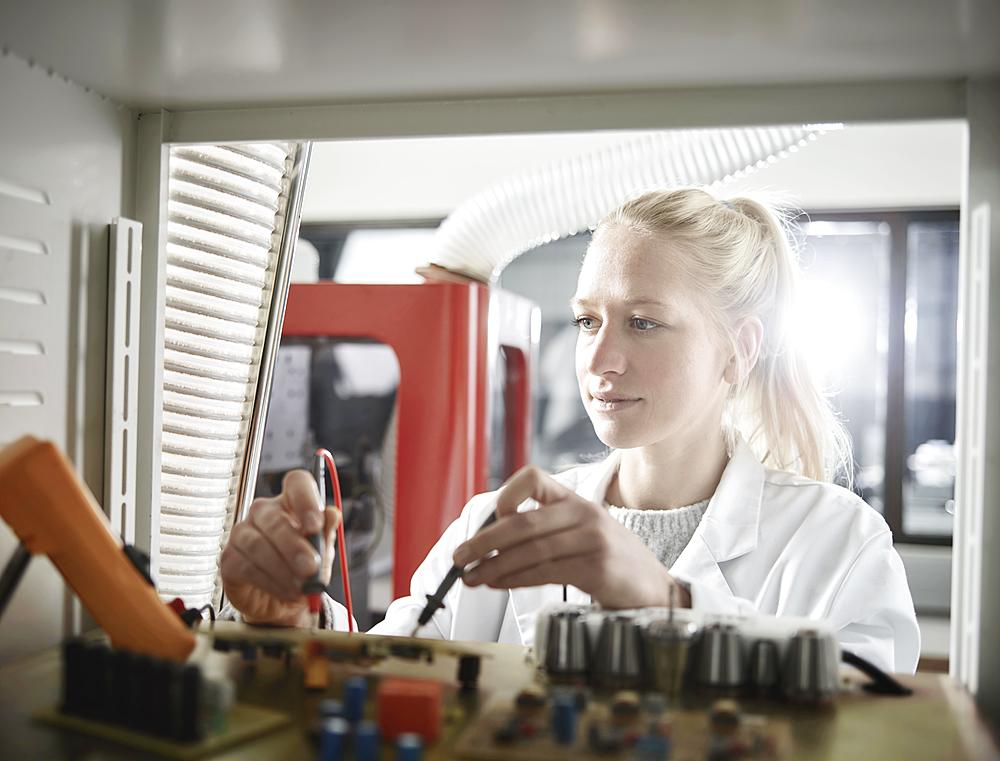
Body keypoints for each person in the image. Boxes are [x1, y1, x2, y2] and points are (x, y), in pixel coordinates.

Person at [219, 188, 920, 674]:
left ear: (738, 348)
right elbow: (393, 670)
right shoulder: (502, 517)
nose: (599, 358)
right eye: (588, 320)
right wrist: (298, 622)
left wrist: (667, 599)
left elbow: (871, 715)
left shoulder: (839, 542)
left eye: (643, 321)